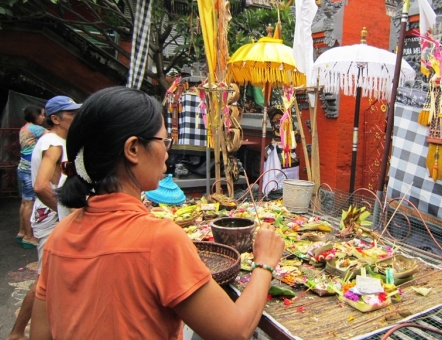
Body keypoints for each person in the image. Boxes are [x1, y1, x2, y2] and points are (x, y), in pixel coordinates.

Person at [30, 87, 284, 340]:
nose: (167, 151)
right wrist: (265, 263)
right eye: (164, 141)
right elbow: (234, 331)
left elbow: (40, 334)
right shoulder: (158, 239)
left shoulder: (60, 235)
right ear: (133, 149)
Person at [6, 96, 80, 340]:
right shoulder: (54, 144)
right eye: (71, 114)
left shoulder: (58, 140)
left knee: (52, 278)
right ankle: (17, 333)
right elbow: (40, 186)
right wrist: (63, 211)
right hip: (50, 215)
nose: (76, 117)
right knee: (45, 280)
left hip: (50, 213)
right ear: (55, 119)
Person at [16, 105, 46, 248]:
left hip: (22, 167)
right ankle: (29, 237)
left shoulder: (24, 127)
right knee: (30, 203)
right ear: (35, 116)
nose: (43, 118)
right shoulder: (36, 129)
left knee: (24, 202)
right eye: (41, 115)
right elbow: (56, 134)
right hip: (29, 169)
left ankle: (22, 232)